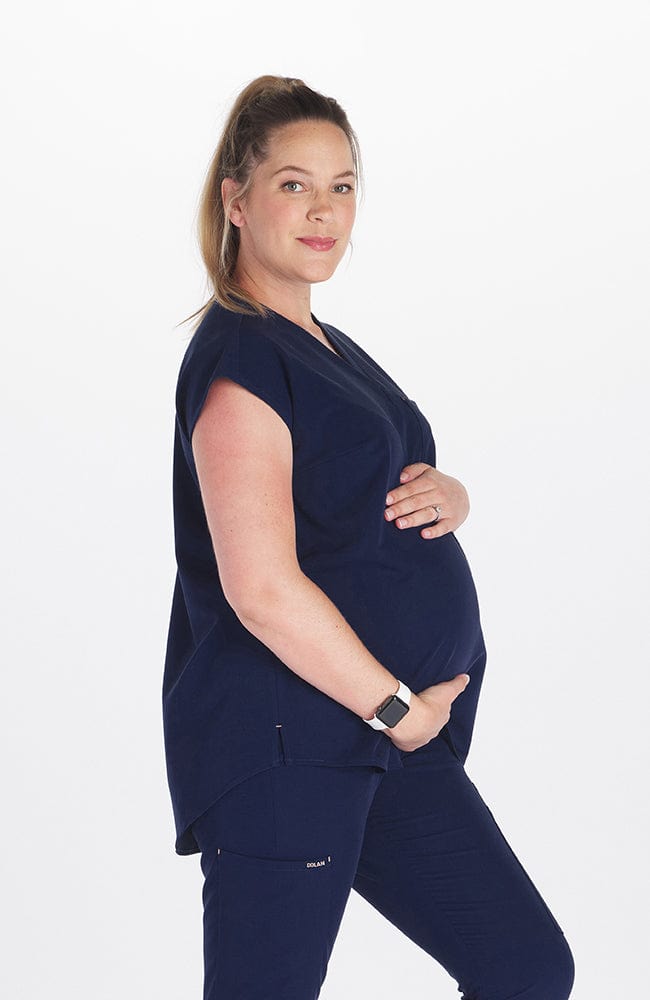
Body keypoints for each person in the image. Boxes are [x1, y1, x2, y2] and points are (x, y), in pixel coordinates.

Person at [162, 74, 575, 1000]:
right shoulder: (241, 356)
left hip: (379, 746)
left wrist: (448, 495)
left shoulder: (323, 344)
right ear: (236, 201)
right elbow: (259, 587)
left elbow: (355, 497)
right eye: (294, 184)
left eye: (342, 186)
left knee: (525, 968)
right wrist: (396, 708)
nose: (324, 210)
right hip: (296, 743)